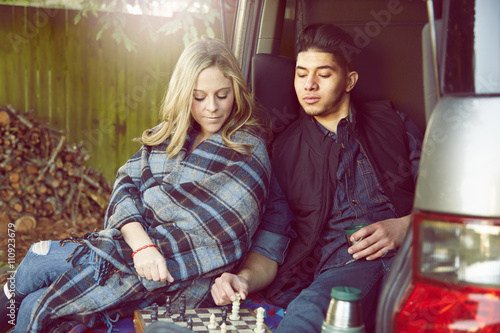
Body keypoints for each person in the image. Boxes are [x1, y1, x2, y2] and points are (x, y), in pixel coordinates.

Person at [0, 36, 271, 332]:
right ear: (183, 94)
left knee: (37, 278)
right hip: (133, 248)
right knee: (33, 280)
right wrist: (142, 247)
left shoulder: (247, 148)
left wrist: (150, 252)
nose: (212, 108)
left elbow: (213, 236)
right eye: (199, 96)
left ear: (236, 92)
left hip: (181, 276)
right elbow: (126, 185)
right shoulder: (166, 135)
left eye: (222, 95)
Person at [210, 23, 423, 333]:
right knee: (308, 312)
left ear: (349, 81)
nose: (309, 85)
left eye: (323, 75)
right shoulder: (283, 150)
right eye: (301, 74)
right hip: (343, 270)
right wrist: (243, 277)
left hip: (414, 257)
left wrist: (406, 226)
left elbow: (443, 198)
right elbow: (273, 238)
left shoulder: (392, 121)